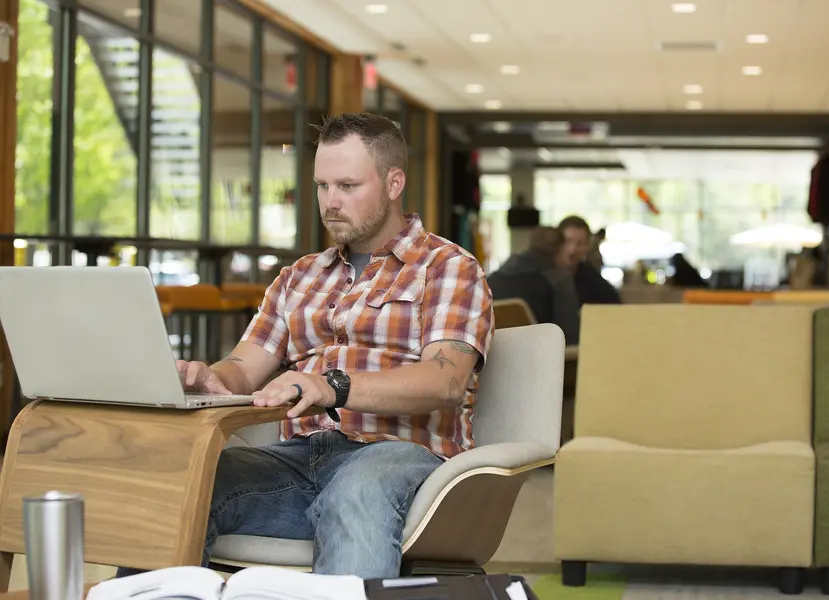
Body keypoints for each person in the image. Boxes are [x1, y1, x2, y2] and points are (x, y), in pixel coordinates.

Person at [117, 113, 494, 579]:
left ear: (394, 182)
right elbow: (241, 368)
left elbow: (445, 381)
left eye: (348, 186)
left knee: (357, 488)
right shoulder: (299, 277)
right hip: (299, 461)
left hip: (400, 457)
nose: (330, 202)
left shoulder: (448, 268)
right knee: (183, 480)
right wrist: (208, 378)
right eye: (322, 186)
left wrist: (331, 386)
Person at [488, 226, 581, 344]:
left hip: (496, 357)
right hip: (541, 359)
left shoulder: (492, 279)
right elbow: (570, 337)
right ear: (560, 249)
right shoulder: (560, 281)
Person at [557, 216, 621, 305]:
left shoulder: (593, 280)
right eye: (567, 241)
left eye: (580, 244)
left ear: (587, 246)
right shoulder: (540, 276)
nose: (572, 250)